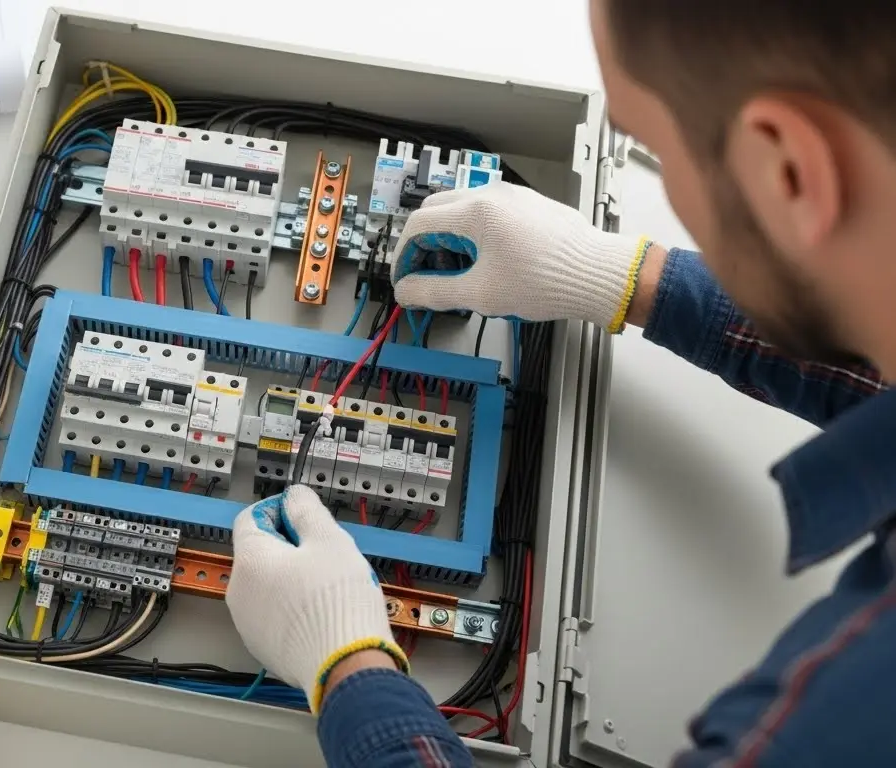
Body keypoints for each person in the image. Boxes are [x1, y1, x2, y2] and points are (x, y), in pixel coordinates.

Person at [225, 2, 896, 766]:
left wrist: (347, 667)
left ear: (786, 169)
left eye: (658, 153)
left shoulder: (810, 731)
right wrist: (628, 278)